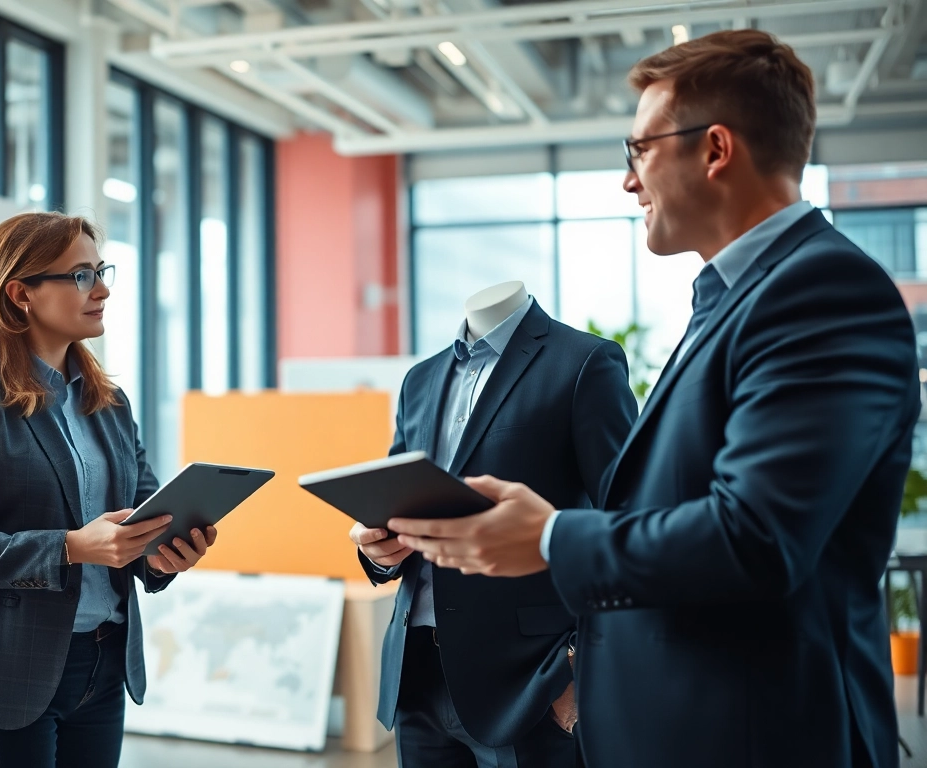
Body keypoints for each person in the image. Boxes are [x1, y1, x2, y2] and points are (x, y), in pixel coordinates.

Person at [386, 30, 919, 768]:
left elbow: (755, 539)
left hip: (759, 734)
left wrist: (547, 539)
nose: (628, 182)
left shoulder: (820, 292)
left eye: (638, 151)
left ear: (715, 149)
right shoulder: (736, 300)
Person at [0, 212, 218, 768]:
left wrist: (167, 554)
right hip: (3, 668)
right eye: (80, 276)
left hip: (102, 666)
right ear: (20, 293)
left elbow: (136, 529)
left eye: (101, 271)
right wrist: (73, 546)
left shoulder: (109, 403)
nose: (101, 290)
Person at [350, 279, 636, 768]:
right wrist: (375, 551)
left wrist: (576, 667)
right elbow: (398, 503)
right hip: (417, 677)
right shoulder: (420, 379)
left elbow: (627, 520)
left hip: (529, 685)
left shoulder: (584, 361)